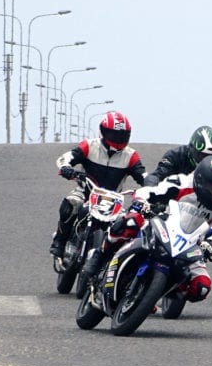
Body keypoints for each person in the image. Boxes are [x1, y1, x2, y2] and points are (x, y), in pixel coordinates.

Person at [83, 156, 212, 303]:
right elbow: (148, 191)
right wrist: (141, 204)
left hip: (191, 244)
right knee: (130, 221)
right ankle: (100, 254)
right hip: (162, 224)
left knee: (201, 287)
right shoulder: (181, 183)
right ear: (200, 181)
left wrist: (210, 243)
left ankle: (154, 296)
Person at [49, 111, 146, 258]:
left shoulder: (130, 155)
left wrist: (152, 187)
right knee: (71, 203)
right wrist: (66, 168)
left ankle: (110, 261)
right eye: (113, 134)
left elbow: (143, 175)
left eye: (122, 135)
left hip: (114, 200)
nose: (118, 139)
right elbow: (66, 157)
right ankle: (60, 241)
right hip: (86, 192)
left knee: (126, 226)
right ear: (103, 131)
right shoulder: (89, 146)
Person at [144, 125, 212, 186]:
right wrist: (149, 189)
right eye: (202, 156)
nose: (206, 161)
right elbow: (157, 175)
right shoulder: (174, 156)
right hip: (173, 201)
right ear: (192, 149)